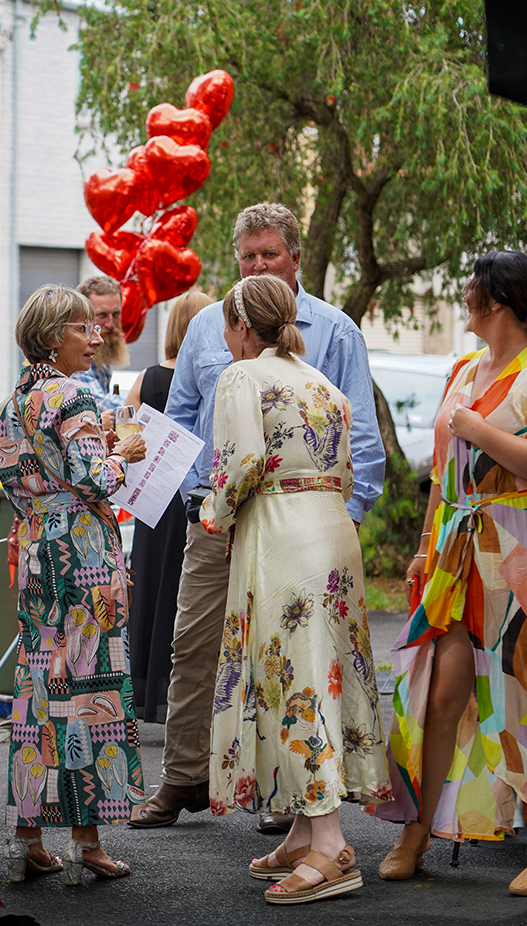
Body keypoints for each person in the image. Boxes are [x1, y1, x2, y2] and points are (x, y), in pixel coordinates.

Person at [131, 202, 385, 829]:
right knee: (191, 647)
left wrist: (341, 517)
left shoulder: (336, 332)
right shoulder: (208, 328)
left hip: (293, 530)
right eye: (247, 256)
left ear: (296, 258)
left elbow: (363, 441)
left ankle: (284, 794)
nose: (256, 265)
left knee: (286, 655)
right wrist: (202, 503)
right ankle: (184, 777)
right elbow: (183, 419)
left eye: (268, 254)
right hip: (214, 522)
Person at [374, 251, 527, 897]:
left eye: (471, 293)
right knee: (437, 693)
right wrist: (426, 548)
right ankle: (414, 833)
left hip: (526, 553)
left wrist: (479, 428)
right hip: (459, 551)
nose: (463, 304)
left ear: (497, 302)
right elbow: (441, 474)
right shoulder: (461, 369)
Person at [201, 275, 390, 904]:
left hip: (282, 533)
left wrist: (215, 513)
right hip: (331, 531)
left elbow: (241, 464)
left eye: (227, 326)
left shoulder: (243, 375)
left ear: (242, 327)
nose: (225, 337)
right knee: (323, 670)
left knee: (292, 678)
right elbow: (349, 463)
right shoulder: (324, 384)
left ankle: (332, 844)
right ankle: (309, 832)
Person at [0, 284, 147, 886]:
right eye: (84, 327)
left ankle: (29, 835)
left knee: (36, 691)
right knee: (91, 689)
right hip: (84, 558)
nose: (97, 334)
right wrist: (124, 451)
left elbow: (14, 477)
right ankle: (89, 840)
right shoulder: (75, 394)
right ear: (55, 336)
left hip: (36, 554)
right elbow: (92, 479)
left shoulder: (11, 403)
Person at [125, 289, 214, 722]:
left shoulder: (147, 379)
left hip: (156, 500)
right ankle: (190, 696)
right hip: (197, 497)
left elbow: (125, 434)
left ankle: (147, 692)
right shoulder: (216, 376)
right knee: (190, 594)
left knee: (152, 593)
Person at [76, 275, 128, 430]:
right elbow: (96, 404)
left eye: (116, 314)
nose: (111, 324)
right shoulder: (74, 351)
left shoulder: (103, 352)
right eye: (102, 315)